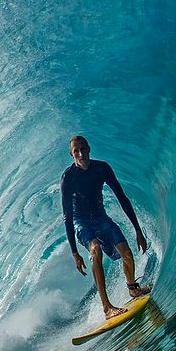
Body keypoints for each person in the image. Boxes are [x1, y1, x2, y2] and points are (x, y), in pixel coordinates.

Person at [61, 135, 150, 319]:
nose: (80, 153)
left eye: (83, 149)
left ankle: (133, 288)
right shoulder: (68, 178)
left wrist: (138, 229)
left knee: (126, 253)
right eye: (76, 151)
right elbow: (67, 217)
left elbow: (122, 198)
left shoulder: (101, 168)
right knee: (95, 249)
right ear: (71, 155)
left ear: (89, 148)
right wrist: (75, 252)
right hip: (81, 221)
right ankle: (107, 308)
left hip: (100, 217)